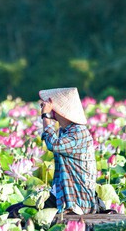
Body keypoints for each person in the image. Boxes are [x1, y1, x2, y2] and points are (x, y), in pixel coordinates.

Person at [39, 87, 99, 215]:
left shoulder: (79, 132)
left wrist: (45, 116)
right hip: (63, 195)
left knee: (18, 214)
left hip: (77, 201)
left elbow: (54, 145)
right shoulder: (65, 131)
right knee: (15, 210)